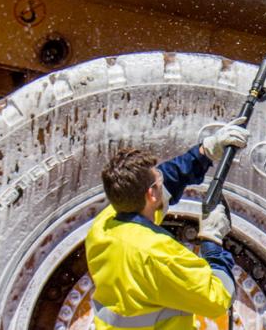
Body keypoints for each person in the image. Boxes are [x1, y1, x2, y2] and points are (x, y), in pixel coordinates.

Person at [85, 117, 250, 329]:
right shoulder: (158, 254)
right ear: (151, 194)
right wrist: (212, 240)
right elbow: (218, 298)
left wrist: (205, 152)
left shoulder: (103, 227)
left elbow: (168, 180)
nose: (162, 179)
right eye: (158, 179)